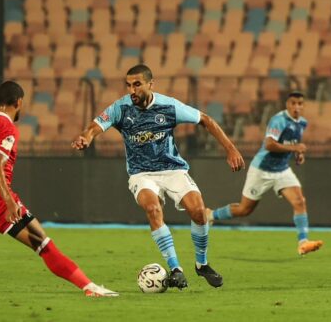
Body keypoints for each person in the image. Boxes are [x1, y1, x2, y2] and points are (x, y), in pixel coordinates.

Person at [0, 81, 117, 297]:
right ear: (19, 102)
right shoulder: (8, 129)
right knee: (42, 243)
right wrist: (10, 202)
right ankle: (89, 287)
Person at [72, 64, 245, 289]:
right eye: (128, 85)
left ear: (150, 84)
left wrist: (231, 149)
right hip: (141, 173)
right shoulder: (120, 108)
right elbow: (95, 126)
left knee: (198, 211)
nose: (132, 90)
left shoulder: (168, 106)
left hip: (173, 169)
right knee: (153, 208)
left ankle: (201, 265)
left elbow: (205, 120)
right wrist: (86, 137)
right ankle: (175, 269)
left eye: (137, 85)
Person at [206, 91, 324, 256]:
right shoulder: (279, 120)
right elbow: (269, 144)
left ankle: (303, 243)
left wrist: (298, 153)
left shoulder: (302, 123)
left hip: (282, 170)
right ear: (287, 105)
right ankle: (210, 214)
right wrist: (294, 148)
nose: (297, 107)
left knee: (299, 201)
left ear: (303, 106)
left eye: (300, 103)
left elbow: (291, 143)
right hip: (262, 169)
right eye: (293, 103)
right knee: (244, 209)